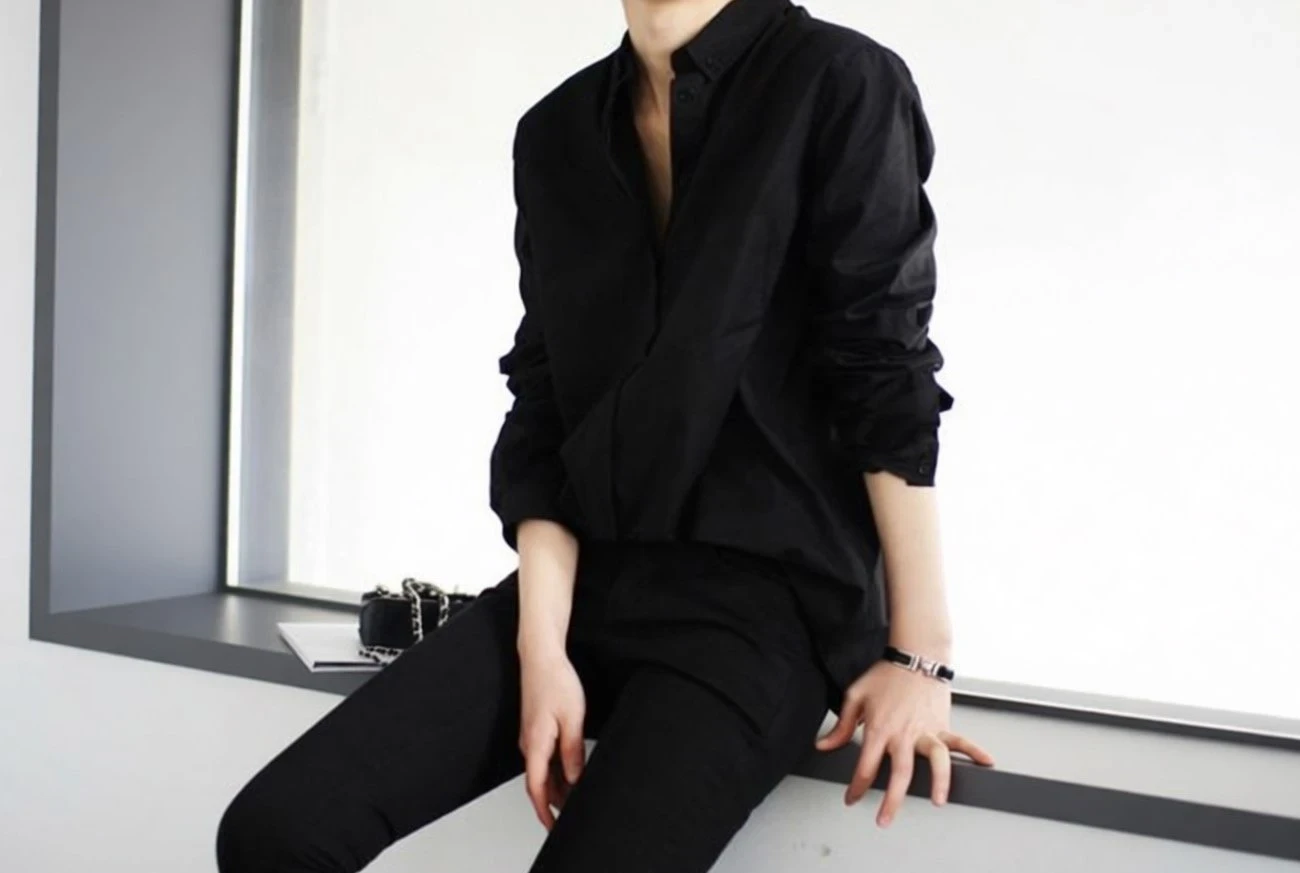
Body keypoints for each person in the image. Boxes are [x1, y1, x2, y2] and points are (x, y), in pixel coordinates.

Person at [215, 1, 995, 870]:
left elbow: (882, 365)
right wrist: (541, 650)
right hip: (586, 584)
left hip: (765, 614)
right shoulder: (556, 131)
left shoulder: (839, 79)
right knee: (274, 832)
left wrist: (921, 657)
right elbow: (546, 407)